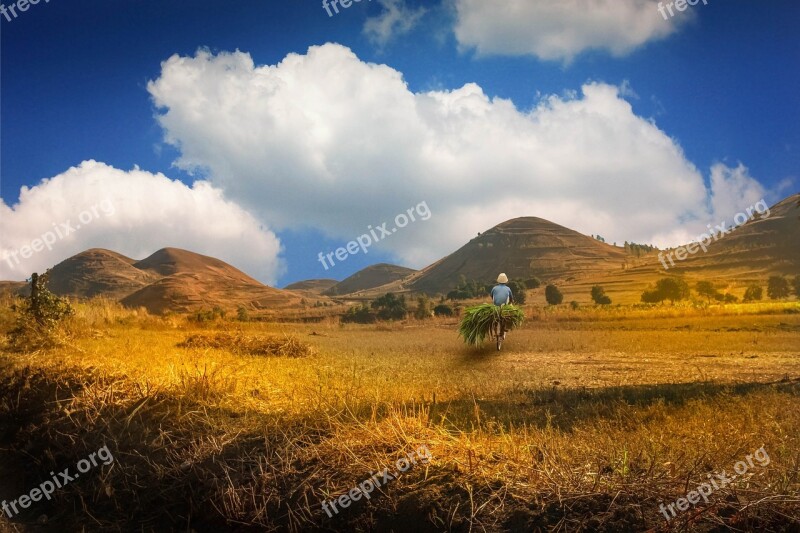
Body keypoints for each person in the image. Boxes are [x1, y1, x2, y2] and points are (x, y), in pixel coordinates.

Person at [490, 273, 514, 339]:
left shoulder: (494, 288)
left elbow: (492, 296)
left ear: (498, 281)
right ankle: (505, 327)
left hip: (495, 307)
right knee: (508, 315)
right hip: (504, 307)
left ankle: (495, 329)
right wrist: (511, 303)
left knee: (495, 318)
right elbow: (511, 298)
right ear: (506, 281)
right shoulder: (508, 289)